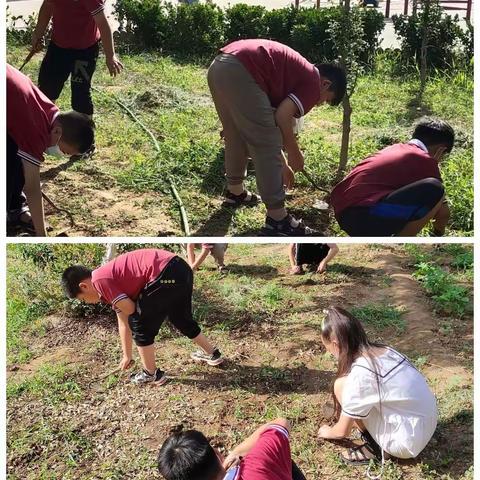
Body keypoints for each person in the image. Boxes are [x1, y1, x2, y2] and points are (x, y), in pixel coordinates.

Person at [207, 39, 347, 236]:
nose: (318, 104)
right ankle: (278, 219)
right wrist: (294, 153)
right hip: (240, 70)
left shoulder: (295, 74)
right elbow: (281, 118)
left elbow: (265, 125)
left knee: (235, 134)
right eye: (326, 100)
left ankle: (235, 192)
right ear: (325, 84)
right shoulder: (312, 83)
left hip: (220, 65)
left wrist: (283, 164)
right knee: (263, 143)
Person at [61, 248, 224, 385]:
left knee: (140, 323)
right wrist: (127, 355)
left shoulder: (100, 281)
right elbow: (123, 323)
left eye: (83, 299)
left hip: (165, 274)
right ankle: (212, 354)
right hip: (179, 269)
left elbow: (131, 310)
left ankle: (150, 373)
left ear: (84, 286)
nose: (87, 302)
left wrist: (135, 313)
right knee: (180, 318)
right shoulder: (106, 281)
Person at [317, 307, 437, 469]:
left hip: (406, 443)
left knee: (341, 385)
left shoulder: (362, 374)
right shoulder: (387, 351)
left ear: (335, 344)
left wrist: (328, 431)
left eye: (327, 348)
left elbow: (342, 432)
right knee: (354, 392)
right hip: (426, 424)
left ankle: (375, 448)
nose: (329, 352)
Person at [7, 64, 95, 236]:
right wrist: (42, 235)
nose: (60, 155)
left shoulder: (49, 111)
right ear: (57, 132)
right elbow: (32, 188)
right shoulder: (35, 131)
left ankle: (14, 208)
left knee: (15, 154)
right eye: (65, 152)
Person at [330, 117, 455, 237]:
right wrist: (439, 234)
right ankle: (402, 242)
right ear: (441, 150)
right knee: (435, 188)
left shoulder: (394, 148)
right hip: (364, 217)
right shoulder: (424, 159)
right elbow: (443, 213)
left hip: (345, 215)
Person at [31, 0, 123, 156]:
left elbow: (102, 22)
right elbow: (47, 6)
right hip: (58, 47)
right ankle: (41, 136)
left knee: (81, 96)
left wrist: (110, 55)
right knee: (46, 92)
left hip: (85, 50)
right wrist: (38, 34)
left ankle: (85, 144)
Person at [157, 418, 307, 480]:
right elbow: (281, 423)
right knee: (278, 456)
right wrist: (236, 454)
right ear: (216, 453)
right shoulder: (259, 462)